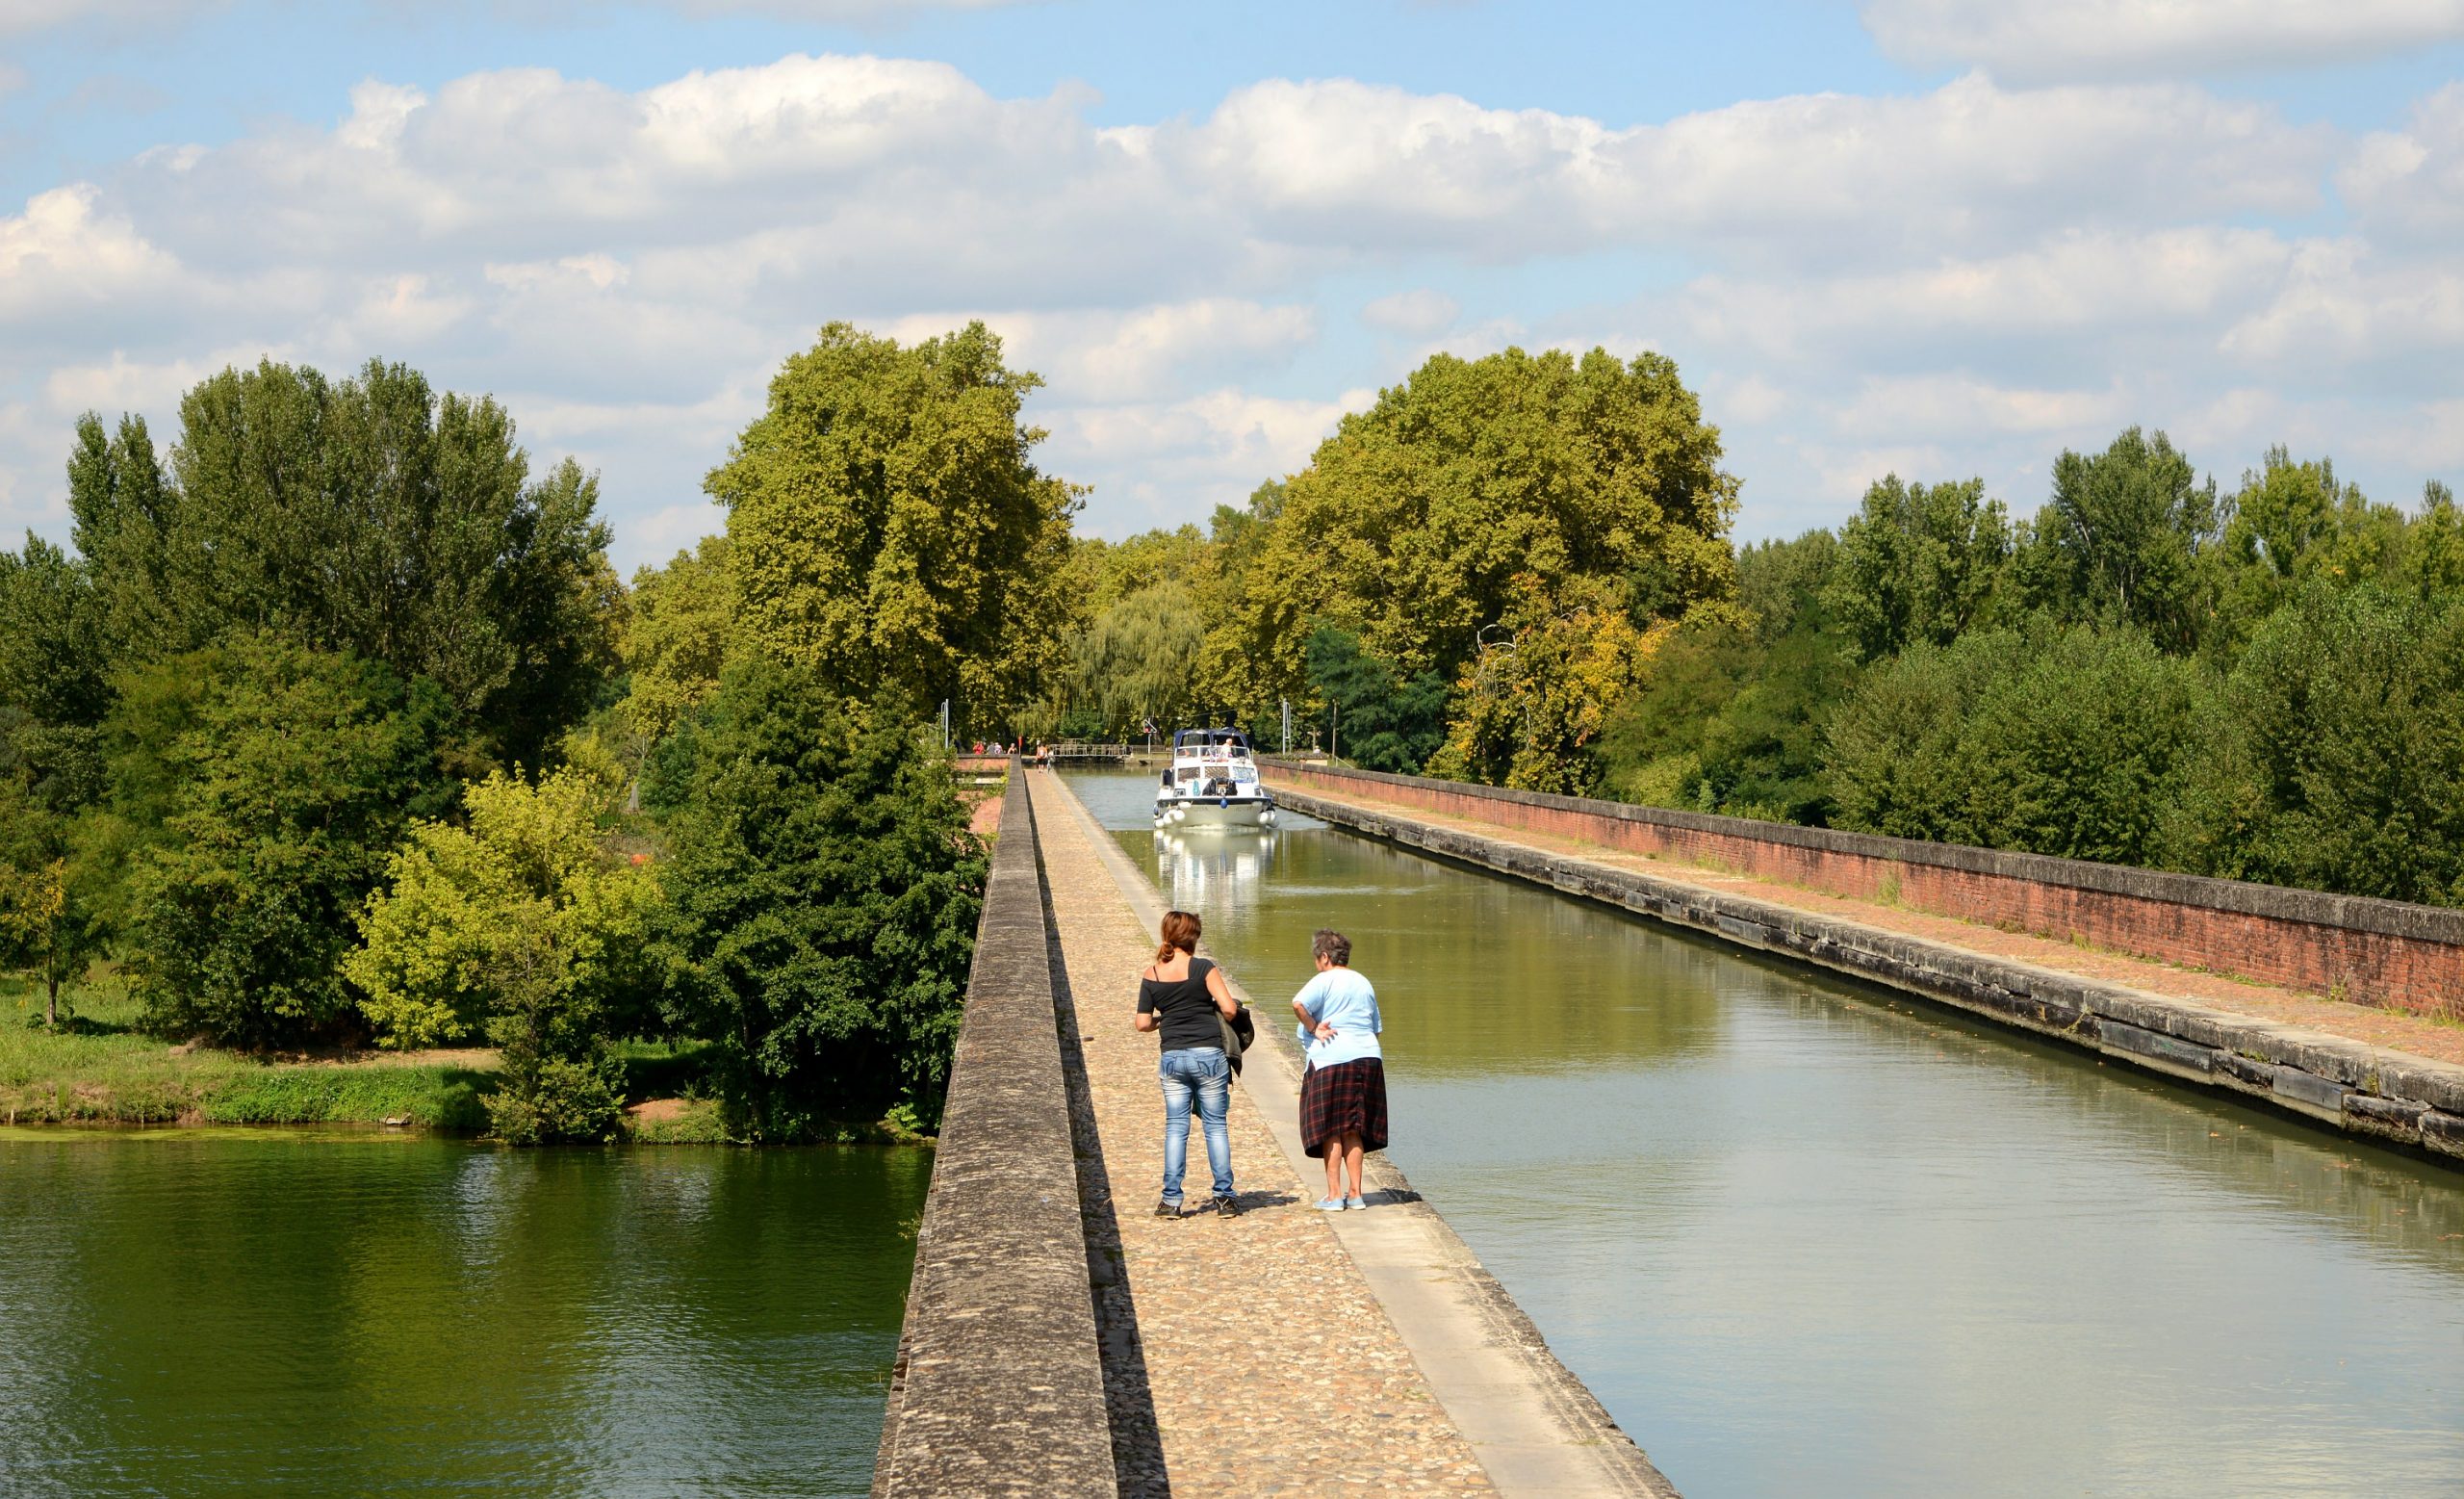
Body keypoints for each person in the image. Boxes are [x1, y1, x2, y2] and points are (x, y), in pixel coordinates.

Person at [1134, 909, 1241, 1218]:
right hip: (1208, 1054)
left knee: (1176, 1128)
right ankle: (1224, 1197)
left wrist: (1162, 1020)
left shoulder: (1151, 974)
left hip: (1173, 1058)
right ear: (1193, 937)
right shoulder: (1203, 968)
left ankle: (1171, 1200)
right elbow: (1230, 1009)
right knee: (1215, 1126)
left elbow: (1141, 1023)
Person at [1291, 928, 1385, 1211]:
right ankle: (1356, 1194)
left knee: (1331, 1128)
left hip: (1332, 1059)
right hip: (1368, 1058)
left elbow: (1298, 1003)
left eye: (1316, 959)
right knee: (1354, 1128)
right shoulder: (1363, 982)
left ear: (1324, 957)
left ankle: (1334, 1195)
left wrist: (1313, 1028)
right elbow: (1375, 1028)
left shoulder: (1325, 979)